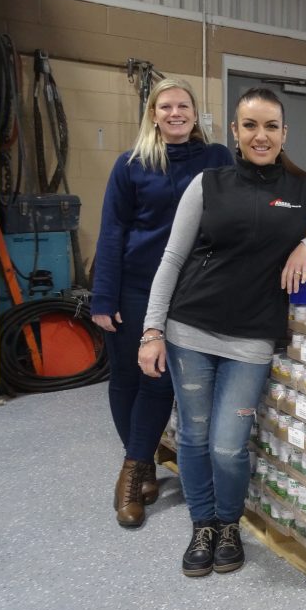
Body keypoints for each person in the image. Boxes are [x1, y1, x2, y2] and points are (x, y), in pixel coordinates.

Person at [138, 87, 306, 577]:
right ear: (235, 131)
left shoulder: (303, 189)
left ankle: (229, 523)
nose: (260, 135)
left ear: (284, 133)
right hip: (190, 328)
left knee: (228, 444)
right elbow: (172, 259)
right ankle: (203, 523)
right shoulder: (208, 183)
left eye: (271, 126)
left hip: (251, 338)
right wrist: (151, 330)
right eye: (250, 125)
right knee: (194, 437)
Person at [92, 78, 233, 529]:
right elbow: (113, 232)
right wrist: (102, 296)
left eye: (184, 106)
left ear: (195, 113)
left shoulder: (217, 159)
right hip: (134, 284)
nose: (175, 113)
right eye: (166, 106)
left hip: (190, 288)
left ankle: (131, 473)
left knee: (157, 380)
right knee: (126, 377)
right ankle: (142, 464)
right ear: (153, 114)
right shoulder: (131, 165)